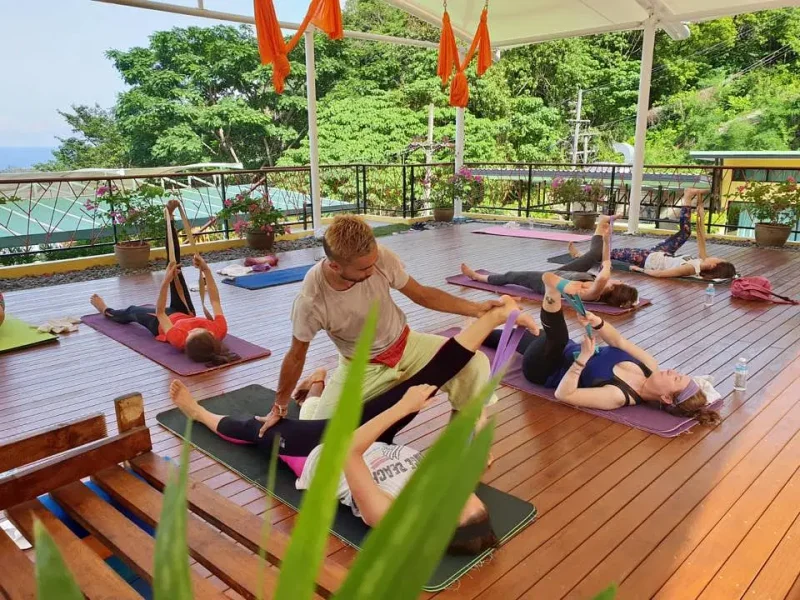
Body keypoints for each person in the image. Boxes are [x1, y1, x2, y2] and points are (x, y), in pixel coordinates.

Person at [168, 296, 539, 554]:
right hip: (378, 436)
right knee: (426, 379)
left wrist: (401, 410)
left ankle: (197, 412)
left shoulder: (389, 516)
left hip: (321, 452)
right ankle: (493, 317)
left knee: (260, 430)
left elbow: (348, 452)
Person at [262, 214, 515, 433]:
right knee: (320, 430)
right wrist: (279, 406)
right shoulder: (311, 300)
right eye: (363, 269)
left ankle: (460, 437)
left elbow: (422, 294)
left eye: (374, 262)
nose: (372, 270)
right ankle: (316, 386)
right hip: (361, 366)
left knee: (473, 364)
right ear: (335, 265)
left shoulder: (379, 258)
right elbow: (296, 356)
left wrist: (477, 308)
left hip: (406, 345)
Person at [483, 271, 721, 426]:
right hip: (565, 347)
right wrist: (596, 321)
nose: (672, 371)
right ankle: (477, 333)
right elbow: (620, 342)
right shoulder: (649, 365)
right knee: (517, 335)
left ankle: (552, 288)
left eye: (676, 378)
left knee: (556, 336)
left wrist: (582, 360)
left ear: (667, 397)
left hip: (543, 369)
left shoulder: (619, 396)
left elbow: (564, 395)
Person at [89, 200, 238, 365]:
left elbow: (160, 313)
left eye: (189, 335)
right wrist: (206, 270)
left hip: (158, 322)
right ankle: (170, 218)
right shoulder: (219, 330)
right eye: (196, 330)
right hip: (184, 311)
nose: (190, 330)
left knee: (131, 311)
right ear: (210, 335)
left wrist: (166, 280)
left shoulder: (178, 339)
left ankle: (105, 310)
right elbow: (215, 299)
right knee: (174, 261)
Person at [461, 215, 639, 309]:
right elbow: (605, 262)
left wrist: (607, 265)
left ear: (615, 289)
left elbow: (603, 274)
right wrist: (606, 241)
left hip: (549, 282)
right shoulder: (597, 285)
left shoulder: (594, 293)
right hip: (571, 274)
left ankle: (478, 277)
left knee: (513, 276)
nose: (619, 280)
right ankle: (601, 224)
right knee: (593, 255)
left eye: (620, 282)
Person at [603, 189, 736, 280]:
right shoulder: (701, 261)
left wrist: (641, 271)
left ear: (713, 266)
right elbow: (702, 244)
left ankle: (586, 256)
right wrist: (700, 214)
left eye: (717, 258)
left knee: (610, 254)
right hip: (661, 253)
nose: (714, 256)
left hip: (646, 259)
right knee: (685, 232)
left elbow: (662, 274)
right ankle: (688, 196)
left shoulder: (692, 268)